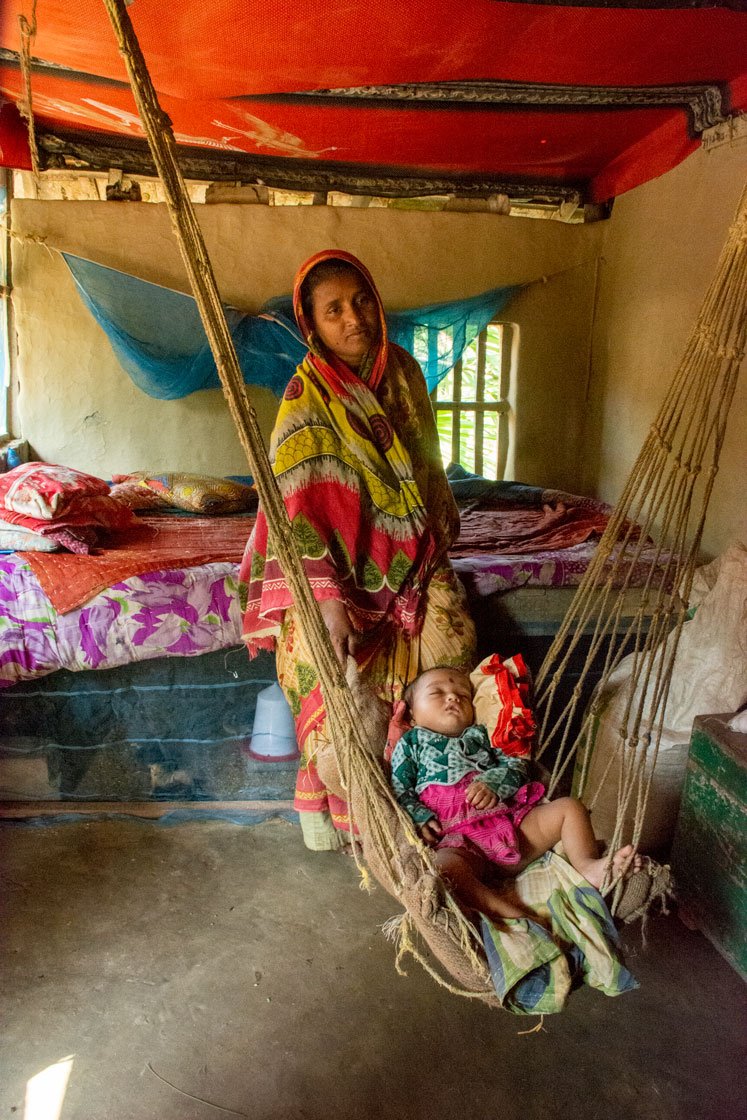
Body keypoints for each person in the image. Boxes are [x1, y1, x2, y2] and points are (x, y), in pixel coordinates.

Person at [240, 251, 476, 850]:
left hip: (410, 559)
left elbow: (422, 465)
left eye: (361, 300)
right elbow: (300, 511)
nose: (354, 318)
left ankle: (429, 790)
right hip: (332, 574)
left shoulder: (404, 374)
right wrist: (329, 601)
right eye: (334, 310)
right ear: (312, 324)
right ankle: (351, 815)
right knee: (324, 668)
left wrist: (427, 546)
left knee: (454, 641)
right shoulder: (305, 397)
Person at [391, 665, 641, 922]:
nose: (453, 697)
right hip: (459, 844)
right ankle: (506, 912)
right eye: (437, 693)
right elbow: (399, 788)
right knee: (443, 868)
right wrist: (418, 815)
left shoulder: (482, 736)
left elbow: (516, 766)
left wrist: (494, 783)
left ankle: (588, 867)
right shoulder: (412, 743)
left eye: (463, 695)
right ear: (412, 716)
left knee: (570, 808)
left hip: (510, 830)